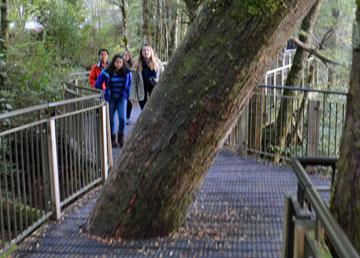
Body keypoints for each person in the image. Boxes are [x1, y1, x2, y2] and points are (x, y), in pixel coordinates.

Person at [95, 54, 132, 148]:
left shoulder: (127, 73)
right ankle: (112, 138)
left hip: (121, 99)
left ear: (123, 63)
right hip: (110, 99)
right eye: (116, 62)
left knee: (122, 119)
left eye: (120, 62)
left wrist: (127, 95)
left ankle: (120, 136)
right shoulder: (107, 71)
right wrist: (104, 92)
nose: (118, 64)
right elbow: (97, 84)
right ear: (113, 62)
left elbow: (129, 86)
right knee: (110, 119)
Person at [130, 44, 163, 110]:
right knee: (145, 111)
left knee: (154, 110)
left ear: (151, 52)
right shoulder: (137, 64)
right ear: (141, 53)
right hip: (142, 93)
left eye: (148, 50)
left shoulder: (157, 62)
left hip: (155, 91)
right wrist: (132, 97)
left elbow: (163, 76)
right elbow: (134, 82)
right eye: (144, 50)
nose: (146, 52)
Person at [123, 50, 134, 123]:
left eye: (128, 55)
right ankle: (123, 118)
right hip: (123, 86)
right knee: (124, 102)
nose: (126, 57)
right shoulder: (120, 63)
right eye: (125, 55)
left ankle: (127, 117)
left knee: (130, 103)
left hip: (131, 86)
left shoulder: (132, 65)